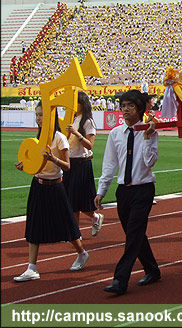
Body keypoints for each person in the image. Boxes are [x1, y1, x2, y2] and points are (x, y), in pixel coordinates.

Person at [13, 103, 89, 282]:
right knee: (33, 224)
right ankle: (32, 267)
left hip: (55, 187)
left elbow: (67, 166)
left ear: (51, 118)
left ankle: (82, 252)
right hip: (38, 185)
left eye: (42, 115)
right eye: (37, 115)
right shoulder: (38, 138)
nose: (39, 119)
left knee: (66, 224)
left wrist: (52, 158)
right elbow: (36, 164)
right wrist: (25, 166)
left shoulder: (60, 138)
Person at [95, 90, 160, 295]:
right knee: (135, 234)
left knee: (133, 235)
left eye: (130, 106)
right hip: (123, 191)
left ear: (140, 108)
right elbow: (109, 164)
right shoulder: (116, 134)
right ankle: (152, 270)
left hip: (143, 190)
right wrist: (101, 191)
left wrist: (148, 138)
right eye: (123, 105)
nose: (125, 110)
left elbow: (150, 163)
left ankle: (120, 280)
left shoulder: (149, 131)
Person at [63, 91, 104, 236]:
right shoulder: (73, 118)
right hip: (70, 163)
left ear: (82, 104)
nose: (74, 105)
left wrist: (76, 133)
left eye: (76, 102)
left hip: (82, 164)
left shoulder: (88, 121)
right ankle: (94, 217)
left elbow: (90, 145)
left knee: (76, 202)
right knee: (70, 200)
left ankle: (75, 233)